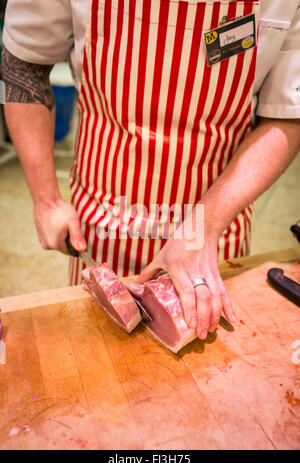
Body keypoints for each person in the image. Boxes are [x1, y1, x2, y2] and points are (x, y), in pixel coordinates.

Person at [2, 0, 300, 340]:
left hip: (215, 232)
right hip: (101, 224)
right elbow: (23, 62)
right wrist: (46, 198)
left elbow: (287, 113)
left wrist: (206, 225)